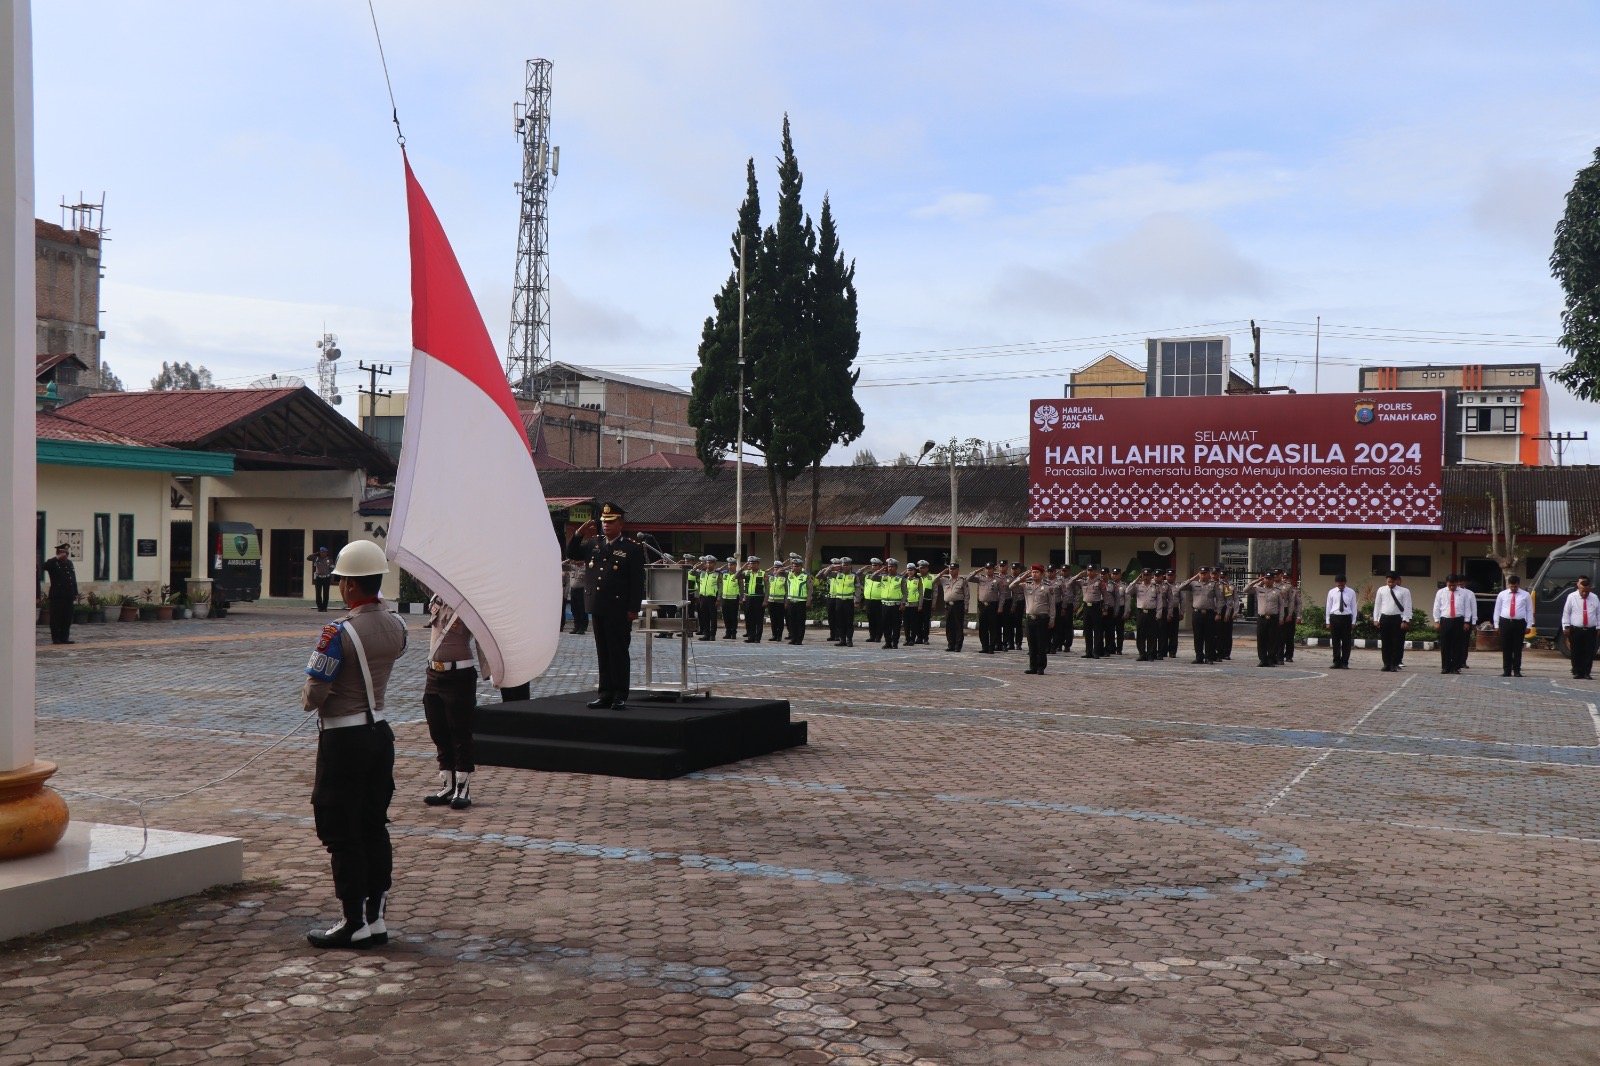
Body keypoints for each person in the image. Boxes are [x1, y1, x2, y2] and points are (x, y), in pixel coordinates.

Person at [302, 539, 409, 949]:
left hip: (344, 739)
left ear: (349, 585)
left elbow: (314, 694)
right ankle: (375, 918)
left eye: (341, 581)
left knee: (341, 829)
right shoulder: (398, 627)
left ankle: (352, 922)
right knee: (373, 825)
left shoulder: (338, 632)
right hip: (379, 734)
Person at [566, 503, 647, 709]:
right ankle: (605, 694)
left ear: (621, 524)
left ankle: (620, 694)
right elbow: (572, 553)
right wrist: (578, 534)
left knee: (618, 651)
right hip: (598, 605)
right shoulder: (594, 543)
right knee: (602, 651)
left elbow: (637, 581)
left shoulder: (631, 548)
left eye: (610, 522)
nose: (606, 525)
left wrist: (633, 608)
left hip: (619, 608)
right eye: (604, 522)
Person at [422, 594, 477, 810]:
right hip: (434, 674)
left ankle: (463, 787)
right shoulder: (438, 596)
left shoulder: (470, 603)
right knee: (438, 729)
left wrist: (495, 671)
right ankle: (447, 784)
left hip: (459, 674)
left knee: (460, 731)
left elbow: (487, 638)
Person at [1017, 564, 1056, 674]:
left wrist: (1052, 620)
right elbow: (1011, 586)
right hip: (1030, 618)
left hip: (1042, 619)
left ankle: (1041, 667)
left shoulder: (1048, 587)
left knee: (1041, 644)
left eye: (1037, 572)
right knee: (1031, 644)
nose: (1034, 574)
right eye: (1033, 572)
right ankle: (1032, 667)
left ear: (1042, 574)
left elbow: (1052, 605)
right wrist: (1024, 575)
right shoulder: (1027, 585)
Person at [1491, 574, 1532, 677]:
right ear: (1508, 584)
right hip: (1505, 622)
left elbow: (1529, 610)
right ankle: (1507, 670)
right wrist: (1496, 625)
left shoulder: (1526, 595)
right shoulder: (1502, 594)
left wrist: (1529, 625)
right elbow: (1497, 610)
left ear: (1519, 585)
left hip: (1519, 623)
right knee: (1506, 647)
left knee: (1517, 648)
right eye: (1511, 586)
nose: (1513, 588)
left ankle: (1517, 670)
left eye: (1515, 586)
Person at [1373, 571, 1412, 673]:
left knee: (1397, 642)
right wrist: (1376, 619)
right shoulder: (1381, 590)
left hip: (1397, 618)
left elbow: (1407, 606)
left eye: (1392, 582)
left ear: (1396, 581)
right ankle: (1386, 664)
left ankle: (1394, 664)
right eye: (1388, 582)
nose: (1390, 584)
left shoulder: (1404, 591)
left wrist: (1405, 620)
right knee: (1385, 642)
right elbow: (1377, 605)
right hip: (1385, 618)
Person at [1563, 574, 1600, 681]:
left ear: (1589, 589)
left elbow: (1598, 613)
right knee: (1576, 651)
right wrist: (1566, 626)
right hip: (1576, 629)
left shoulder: (1594, 598)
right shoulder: (1571, 597)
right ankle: (1577, 672)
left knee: (1589, 652)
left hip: (1590, 630)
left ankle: (1587, 673)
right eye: (1582, 591)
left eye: (1587, 592)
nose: (1584, 594)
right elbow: (1566, 612)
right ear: (1579, 588)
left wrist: (1599, 627)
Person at [1432, 574, 1471, 674]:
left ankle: (1456, 667)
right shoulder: (1440, 592)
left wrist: (1467, 621)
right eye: (1450, 585)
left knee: (1457, 644)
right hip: (1445, 620)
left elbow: (1467, 607)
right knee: (1445, 644)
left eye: (1454, 585)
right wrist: (1436, 620)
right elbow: (1436, 607)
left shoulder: (1464, 593)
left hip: (1459, 620)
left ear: (1457, 583)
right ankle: (1445, 667)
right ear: (1447, 583)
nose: (1452, 587)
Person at [40, 543, 77, 645]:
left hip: (68, 596)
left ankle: (64, 638)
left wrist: (75, 593)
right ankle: (56, 638)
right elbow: (44, 566)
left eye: (67, 553)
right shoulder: (53, 563)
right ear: (59, 553)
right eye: (64, 553)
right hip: (57, 596)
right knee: (56, 618)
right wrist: (57, 558)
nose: (66, 555)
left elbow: (73, 579)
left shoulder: (69, 563)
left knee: (67, 618)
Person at [1246, 571, 1280, 667]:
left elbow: (1281, 606)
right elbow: (1246, 589)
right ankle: (1262, 659)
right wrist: (1258, 580)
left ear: (1273, 580)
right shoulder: (1258, 589)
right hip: (1262, 618)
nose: (1268, 580)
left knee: (1272, 639)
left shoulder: (1277, 591)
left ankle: (1271, 659)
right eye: (1266, 578)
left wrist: (1281, 618)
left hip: (1273, 618)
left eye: (1270, 579)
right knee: (1261, 639)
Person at [934, 563, 969, 652]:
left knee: (958, 626)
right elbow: (933, 581)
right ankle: (951, 645)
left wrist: (966, 606)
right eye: (950, 569)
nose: (951, 570)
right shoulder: (944, 580)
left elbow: (967, 595)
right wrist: (942, 572)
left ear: (957, 570)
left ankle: (958, 646)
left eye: (953, 569)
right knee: (949, 626)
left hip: (958, 605)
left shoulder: (962, 580)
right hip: (948, 606)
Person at [1325, 574, 1356, 669]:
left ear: (1345, 582)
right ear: (1336, 583)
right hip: (1335, 617)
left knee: (1346, 642)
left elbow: (1354, 607)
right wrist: (1327, 621)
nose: (1340, 586)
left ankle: (1345, 662)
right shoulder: (1331, 592)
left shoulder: (1351, 592)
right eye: (1338, 584)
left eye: (1342, 584)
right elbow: (1328, 606)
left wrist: (1353, 621)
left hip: (1346, 617)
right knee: (1335, 641)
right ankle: (1336, 662)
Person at [878, 558, 907, 649]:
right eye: (889, 566)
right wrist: (881, 570)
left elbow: (905, 592)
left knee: (896, 625)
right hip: (885, 605)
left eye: (892, 567)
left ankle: (895, 643)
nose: (890, 568)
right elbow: (872, 577)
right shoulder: (883, 577)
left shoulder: (900, 578)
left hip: (896, 605)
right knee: (885, 625)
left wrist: (903, 603)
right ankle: (888, 642)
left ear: (896, 568)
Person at [785, 558, 811, 645]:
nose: (794, 567)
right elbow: (787, 589)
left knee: (800, 621)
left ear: (801, 567)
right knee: (791, 621)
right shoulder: (789, 575)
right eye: (793, 566)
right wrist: (786, 601)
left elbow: (810, 589)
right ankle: (793, 638)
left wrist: (808, 600)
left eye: (796, 566)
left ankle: (799, 640)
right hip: (791, 601)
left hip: (801, 602)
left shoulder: (805, 576)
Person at [740, 556, 767, 643]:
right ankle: (750, 637)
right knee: (749, 618)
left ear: (758, 564)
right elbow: (735, 577)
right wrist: (742, 568)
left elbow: (767, 588)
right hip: (748, 598)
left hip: (759, 598)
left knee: (758, 619)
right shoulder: (746, 573)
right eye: (750, 563)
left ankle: (757, 638)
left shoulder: (763, 573)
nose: (751, 565)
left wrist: (765, 600)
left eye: (753, 563)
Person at [767, 561, 790, 643]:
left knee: (780, 620)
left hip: (780, 602)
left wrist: (786, 602)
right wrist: (774, 573)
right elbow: (764, 573)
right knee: (773, 619)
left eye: (778, 567)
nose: (776, 569)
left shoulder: (785, 577)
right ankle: (774, 635)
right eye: (775, 567)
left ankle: (779, 636)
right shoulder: (771, 577)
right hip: (771, 601)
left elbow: (787, 591)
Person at [307, 546, 335, 612]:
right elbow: (308, 558)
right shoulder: (316, 558)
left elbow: (332, 569)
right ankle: (320, 607)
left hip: (326, 578)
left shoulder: (329, 559)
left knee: (326, 593)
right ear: (320, 552)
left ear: (326, 553)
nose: (323, 553)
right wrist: (316, 553)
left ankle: (324, 607)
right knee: (318, 593)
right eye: (322, 552)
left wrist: (332, 578)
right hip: (318, 578)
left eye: (325, 552)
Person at [567, 558, 590, 635]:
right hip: (573, 590)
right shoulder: (572, 567)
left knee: (582, 609)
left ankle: (582, 627)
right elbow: (561, 565)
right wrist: (569, 560)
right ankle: (576, 626)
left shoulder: (586, 568)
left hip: (581, 590)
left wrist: (582, 562)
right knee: (574, 609)